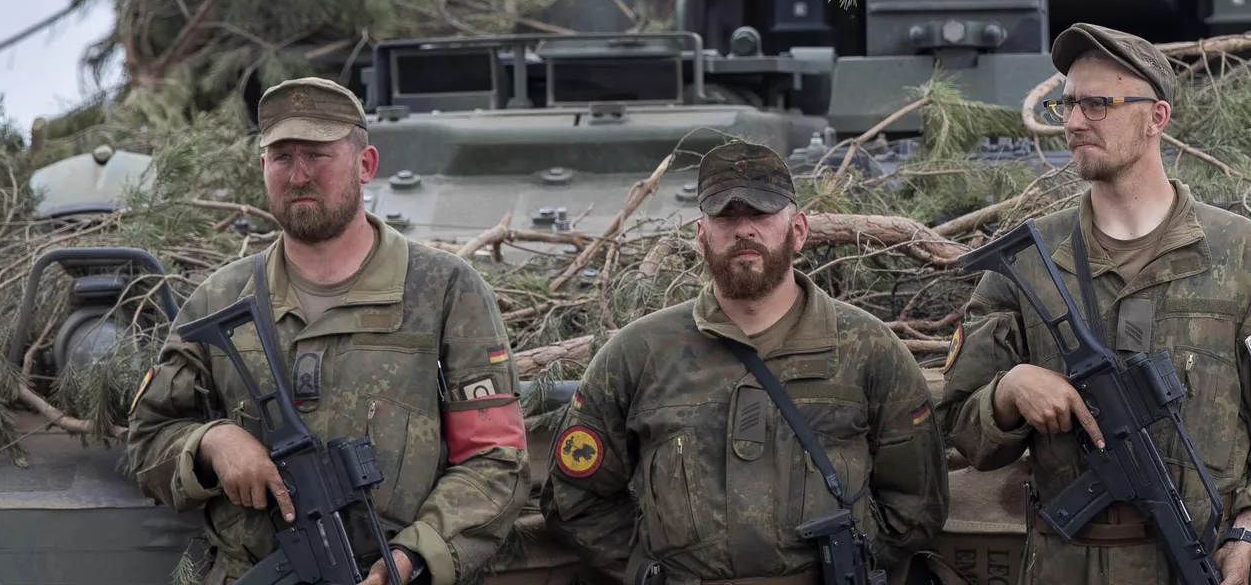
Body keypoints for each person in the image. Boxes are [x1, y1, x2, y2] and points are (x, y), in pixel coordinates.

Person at [939, 23, 1251, 585]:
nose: (1075, 122)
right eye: (1068, 104)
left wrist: (1247, 537)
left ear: (1157, 117)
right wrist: (1008, 392)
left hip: (1193, 562)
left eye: (1098, 104)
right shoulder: (1031, 262)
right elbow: (958, 427)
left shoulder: (1238, 252)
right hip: (1060, 567)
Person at [126, 77, 532, 585]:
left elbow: (496, 458)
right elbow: (147, 442)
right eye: (282, 157)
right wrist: (212, 444)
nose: (298, 176)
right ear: (263, 167)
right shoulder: (219, 298)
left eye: (317, 155)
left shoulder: (445, 291)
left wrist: (413, 557)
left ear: (365, 165)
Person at [542, 139, 949, 585]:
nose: (743, 229)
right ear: (702, 235)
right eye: (725, 216)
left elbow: (917, 502)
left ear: (797, 231)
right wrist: (649, 572)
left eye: (760, 213)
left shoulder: (867, 347)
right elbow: (574, 499)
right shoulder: (639, 354)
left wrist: (849, 565)